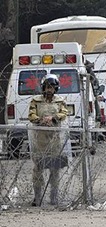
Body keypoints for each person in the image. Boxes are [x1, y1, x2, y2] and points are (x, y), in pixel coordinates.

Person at [28, 74, 68, 206]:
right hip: (40, 140)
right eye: (47, 87)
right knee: (38, 169)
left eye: (51, 87)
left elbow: (64, 113)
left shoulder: (60, 101)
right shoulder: (36, 101)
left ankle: (53, 196)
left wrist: (53, 118)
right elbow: (31, 114)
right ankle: (38, 197)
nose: (49, 89)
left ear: (56, 88)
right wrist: (41, 120)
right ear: (43, 87)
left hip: (55, 140)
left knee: (54, 170)